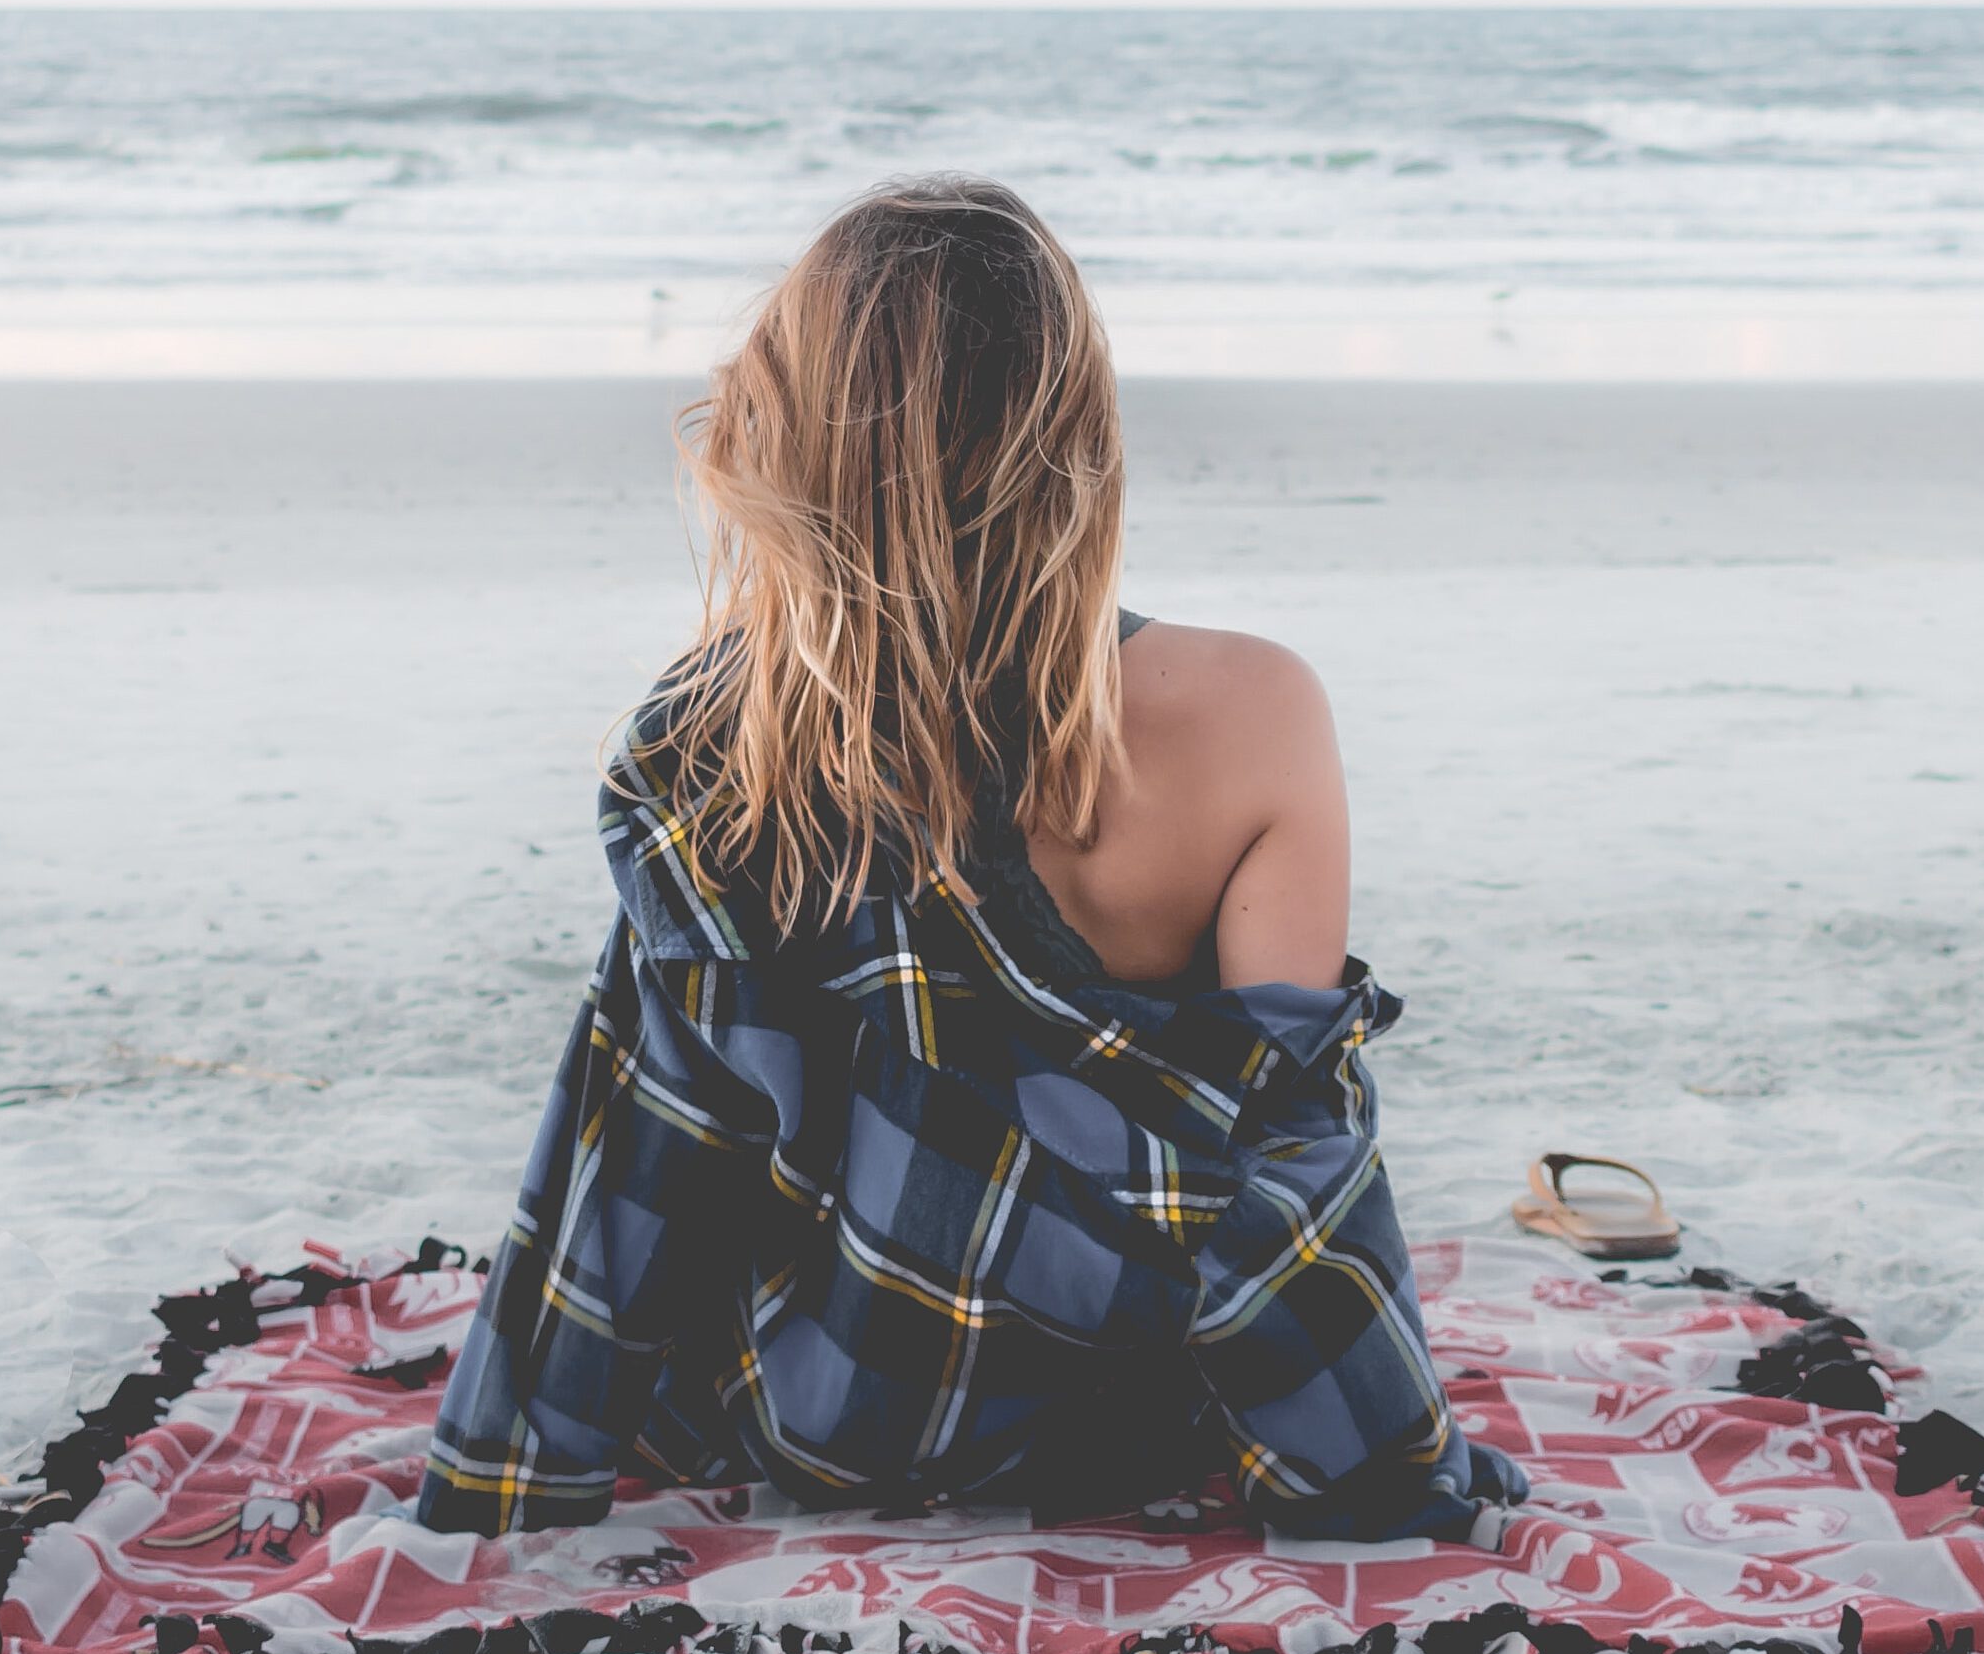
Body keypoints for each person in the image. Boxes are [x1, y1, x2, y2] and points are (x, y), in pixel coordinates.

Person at [411, 177, 1525, 1543]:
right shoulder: (1254, 710)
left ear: (811, 444)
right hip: (1151, 1420)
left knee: (654, 1014)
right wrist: (1381, 1462)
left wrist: (499, 1492)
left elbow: (649, 1154)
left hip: (838, 1414)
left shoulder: (721, 736)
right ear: (1078, 432)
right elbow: (1289, 1162)